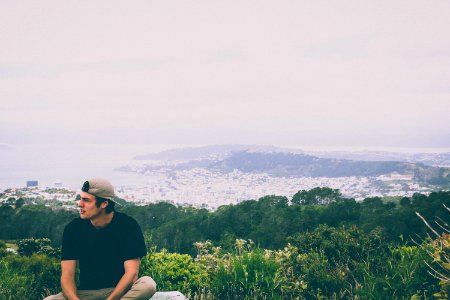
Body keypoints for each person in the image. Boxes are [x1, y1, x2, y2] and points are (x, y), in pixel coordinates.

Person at [44, 178, 156, 300]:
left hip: (120, 292)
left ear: (104, 204)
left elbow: (131, 274)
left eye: (86, 200)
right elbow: (67, 277)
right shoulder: (73, 229)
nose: (80, 204)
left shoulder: (127, 226)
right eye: (81, 198)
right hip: (86, 293)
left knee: (148, 285)